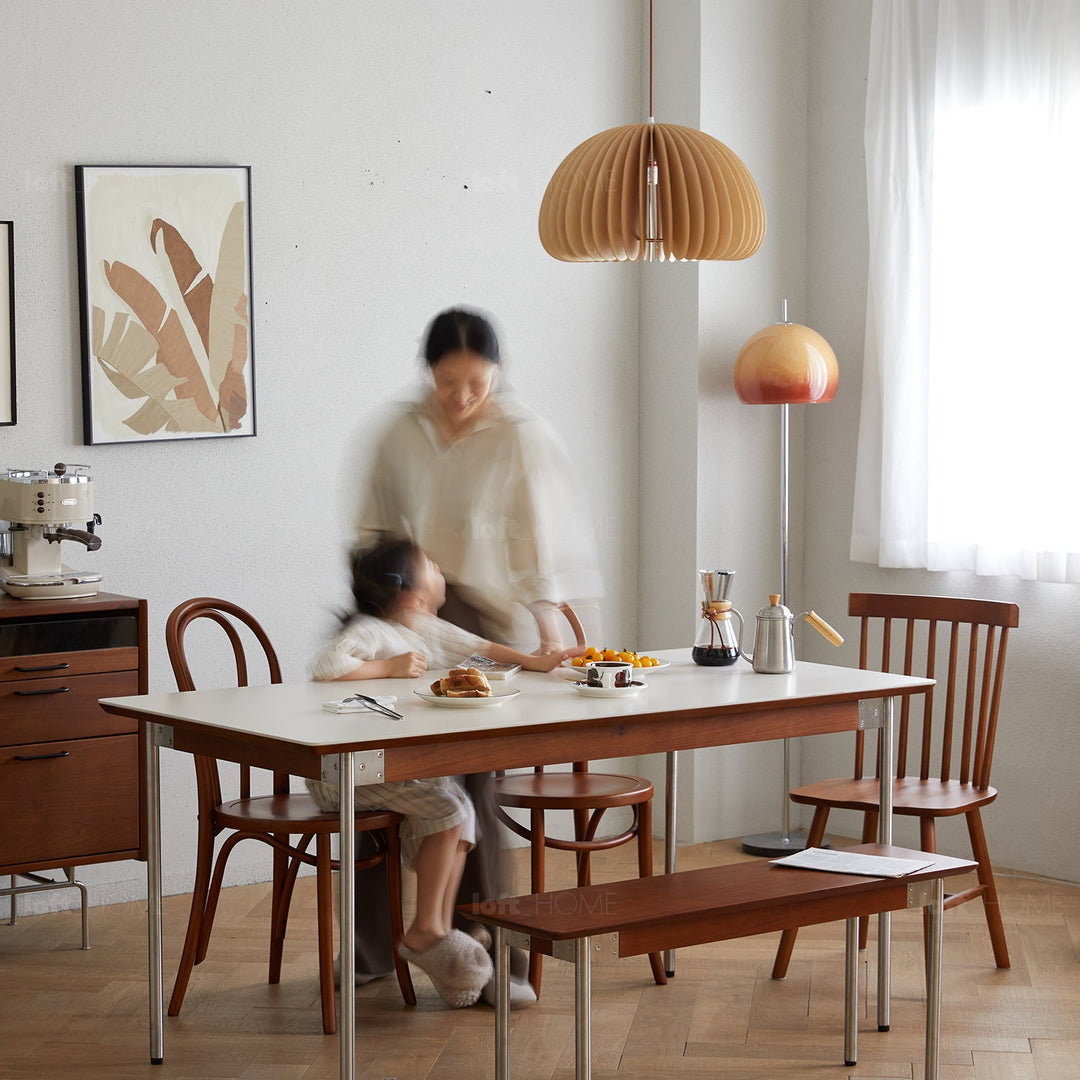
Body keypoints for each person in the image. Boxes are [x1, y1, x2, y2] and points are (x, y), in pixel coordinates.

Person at [349, 306, 603, 1005]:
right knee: (374, 771)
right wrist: (388, 597)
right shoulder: (398, 432)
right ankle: (374, 953)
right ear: (428, 371)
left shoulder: (519, 435)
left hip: (473, 614)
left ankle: (496, 964)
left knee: (476, 791)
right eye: (448, 380)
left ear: (496, 375)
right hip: (401, 608)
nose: (461, 395)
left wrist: (546, 615)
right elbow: (369, 526)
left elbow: (534, 535)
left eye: (476, 382)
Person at [308, 535, 583, 1006]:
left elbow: (479, 647)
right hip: (348, 770)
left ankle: (431, 926)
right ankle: (427, 929)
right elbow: (327, 665)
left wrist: (536, 661)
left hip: (389, 771)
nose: (441, 570)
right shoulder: (374, 631)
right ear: (413, 593)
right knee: (451, 810)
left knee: (459, 810)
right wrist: (387, 667)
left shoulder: (420, 626)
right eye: (431, 566)